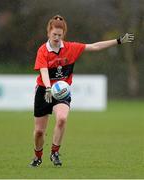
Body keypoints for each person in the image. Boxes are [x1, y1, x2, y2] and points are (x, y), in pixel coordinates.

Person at [30, 15, 134, 167]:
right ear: (48, 33)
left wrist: (118, 41)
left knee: (62, 119)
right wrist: (47, 88)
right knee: (39, 132)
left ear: (63, 34)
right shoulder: (43, 51)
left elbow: (95, 46)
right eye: (54, 35)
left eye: (60, 35)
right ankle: (38, 156)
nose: (57, 38)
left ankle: (54, 153)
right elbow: (44, 71)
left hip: (62, 91)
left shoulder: (71, 48)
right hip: (44, 91)